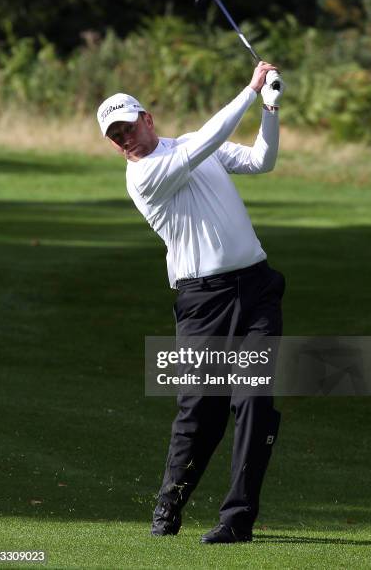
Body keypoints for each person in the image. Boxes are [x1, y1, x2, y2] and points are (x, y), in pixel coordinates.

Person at [97, 61, 285, 544]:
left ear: (148, 118)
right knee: (200, 413)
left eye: (128, 126)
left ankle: (238, 519)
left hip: (257, 289)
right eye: (114, 135)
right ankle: (169, 507)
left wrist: (270, 108)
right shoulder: (144, 178)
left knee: (255, 401)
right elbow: (206, 138)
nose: (124, 139)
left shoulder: (187, 148)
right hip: (204, 303)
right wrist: (250, 88)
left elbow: (262, 162)